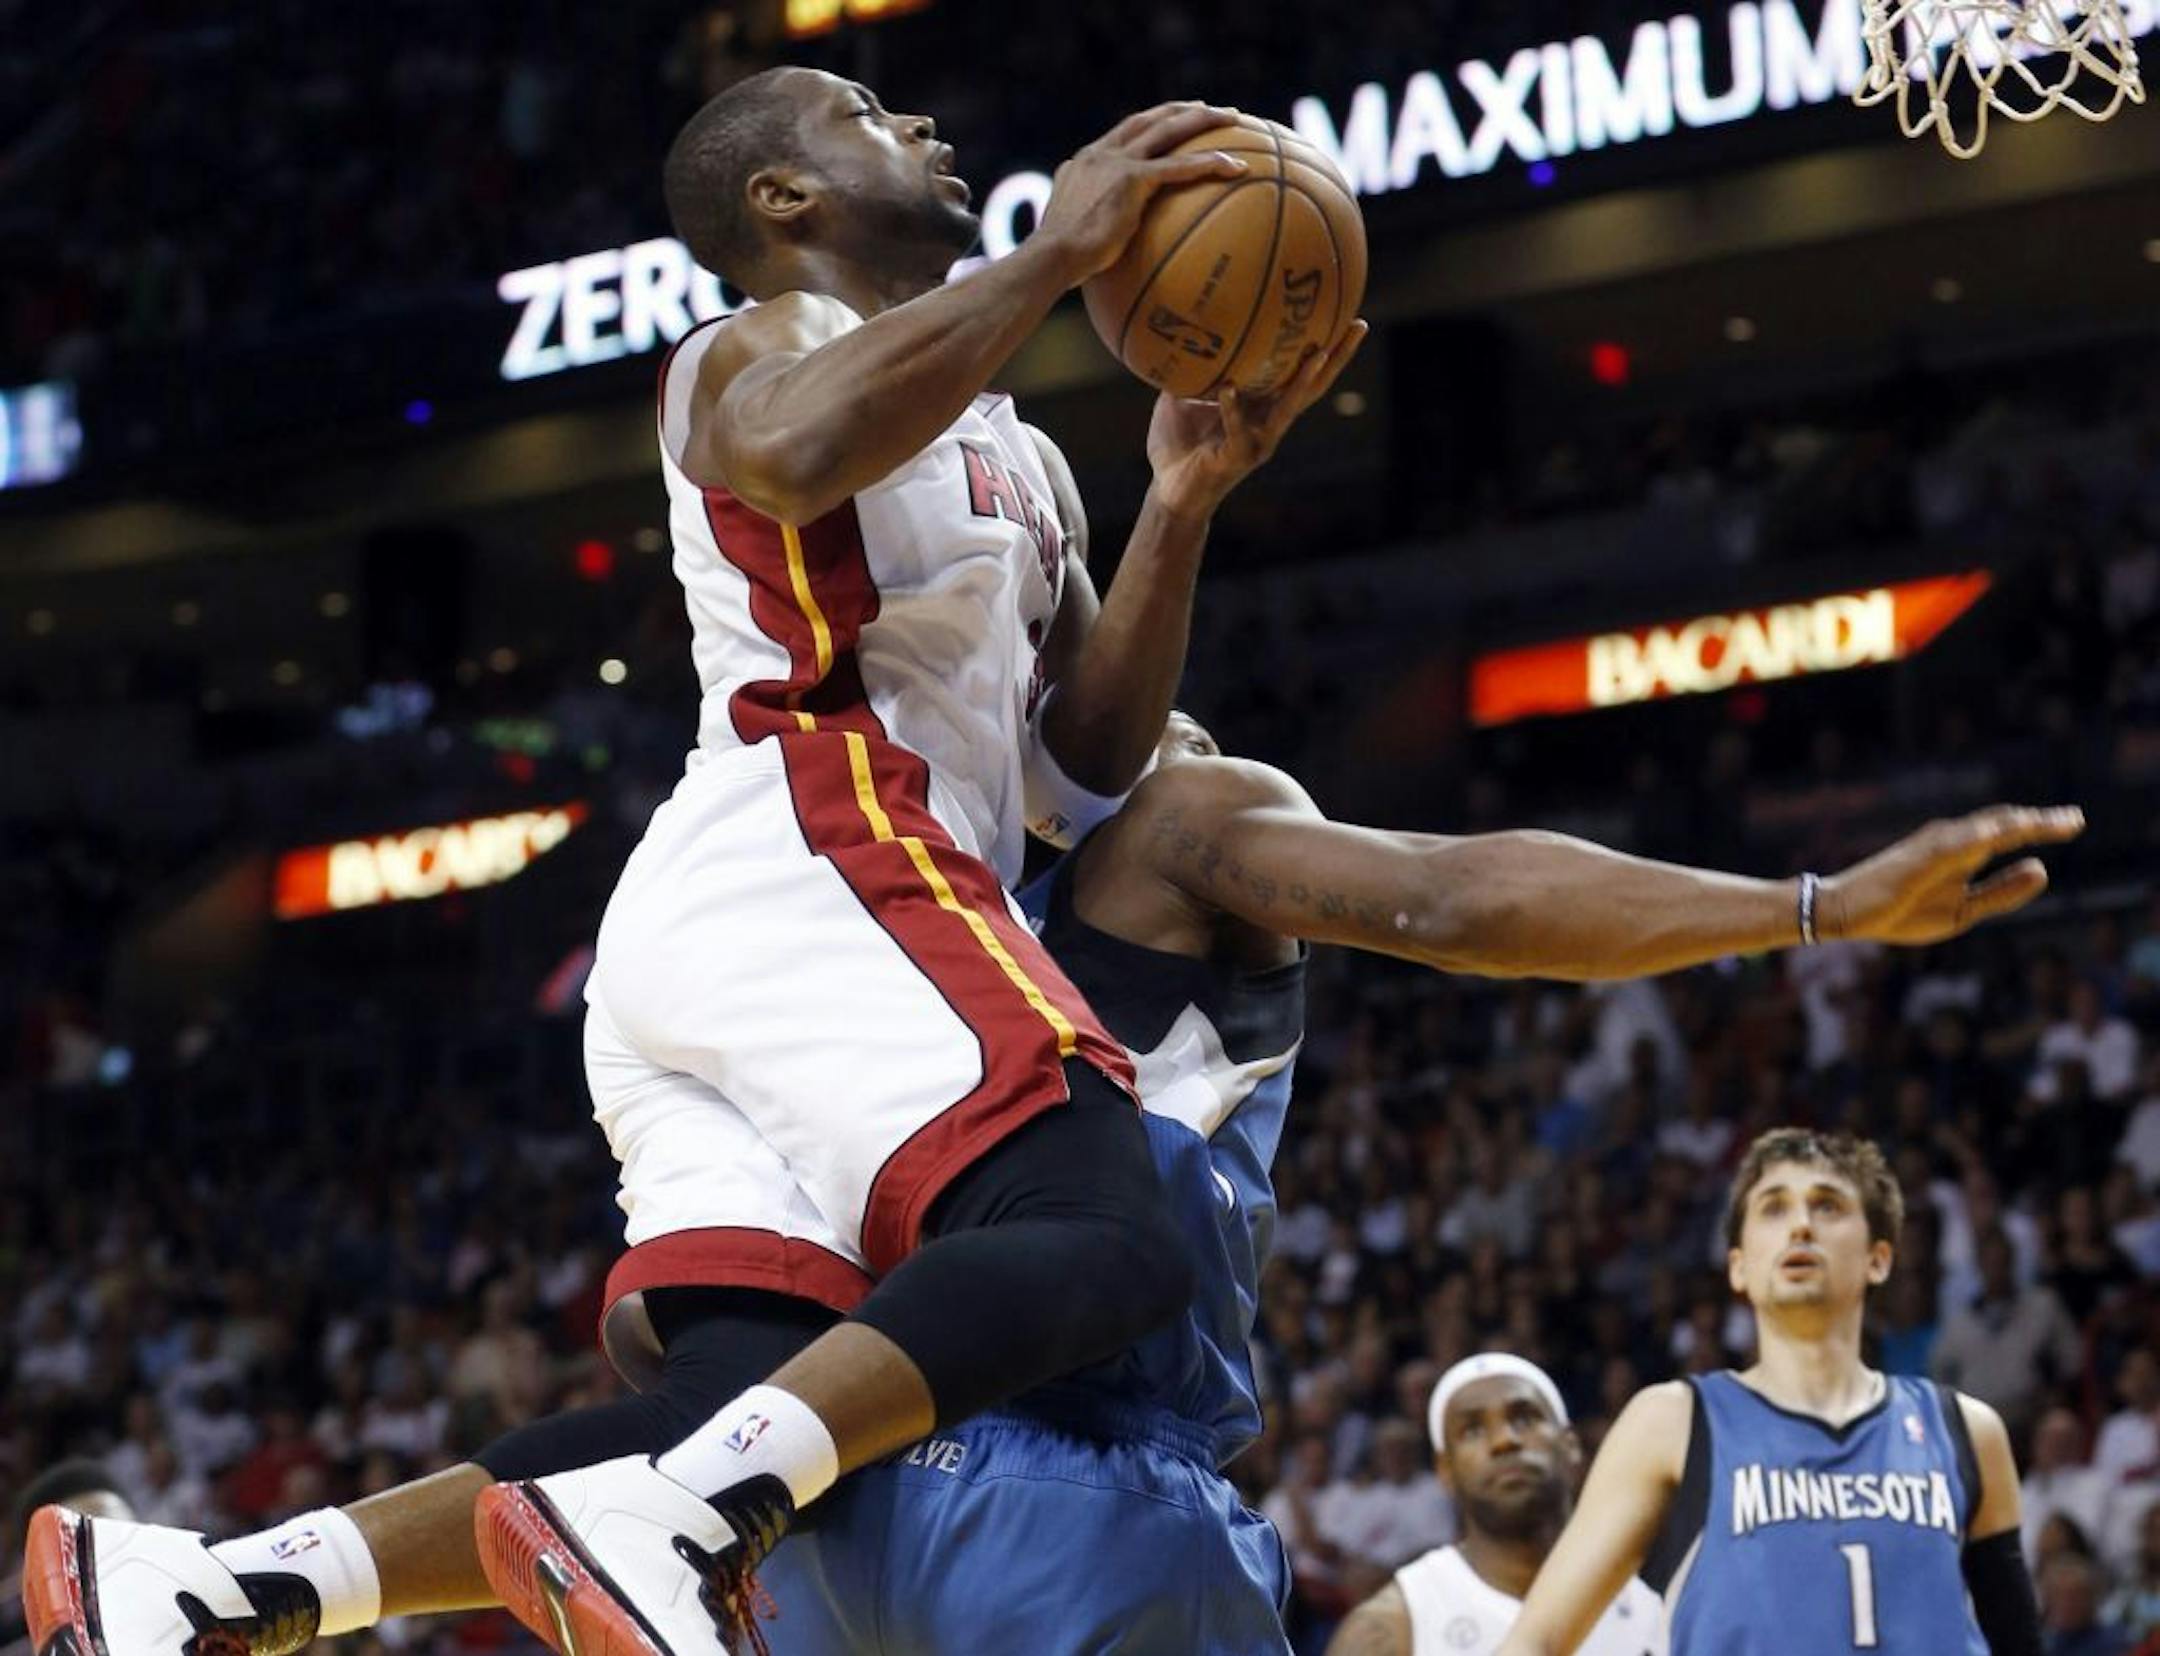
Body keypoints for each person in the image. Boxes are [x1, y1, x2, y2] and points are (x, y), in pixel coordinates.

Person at [24, 65, 1363, 1656]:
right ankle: (681, 1519)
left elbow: (1087, 762)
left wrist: (1184, 503)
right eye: (872, 111)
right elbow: (790, 456)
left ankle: (212, 1586)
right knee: (1106, 1234)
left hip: (750, 919)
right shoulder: (759, 341)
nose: (927, 125)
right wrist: (1057, 260)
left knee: (744, 1403)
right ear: (781, 200)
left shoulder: (1023, 454)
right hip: (829, 848)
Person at [28, 720, 2079, 1656]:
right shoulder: (1158, 835)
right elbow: (1462, 895)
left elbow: (666, 1335)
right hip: (1084, 1516)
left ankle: (233, 1581)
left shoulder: (869, 949)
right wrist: (1809, 903)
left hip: (820, 1541)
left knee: (675, 1440)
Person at [1493, 1131, 2045, 1656]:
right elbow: (1535, 1641)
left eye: (1828, 1205)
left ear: (1879, 1258)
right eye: (1774, 1208)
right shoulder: (1672, 1423)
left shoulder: (1965, 1431)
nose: (1800, 1226)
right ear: (1738, 1267)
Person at [1326, 1355, 1664, 1656]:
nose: (1504, 1441)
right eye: (1472, 1430)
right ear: (1445, 1470)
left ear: (1571, 1445)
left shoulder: (1662, 1601)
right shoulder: (1395, 1624)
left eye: (1524, 1419)